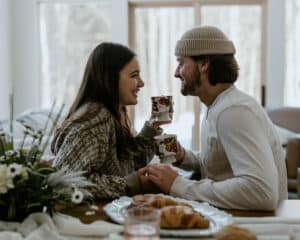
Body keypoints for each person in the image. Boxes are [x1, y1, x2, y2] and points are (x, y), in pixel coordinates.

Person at [146, 26, 287, 210]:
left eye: (181, 63)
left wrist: (179, 185)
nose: (176, 72)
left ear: (204, 64)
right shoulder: (218, 106)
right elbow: (224, 164)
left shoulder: (233, 111)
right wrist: (185, 159)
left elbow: (261, 192)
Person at [52, 42, 162, 199]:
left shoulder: (114, 114)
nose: (142, 83)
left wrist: (151, 128)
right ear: (110, 78)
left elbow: (127, 167)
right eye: (134, 75)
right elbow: (67, 183)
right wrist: (132, 184)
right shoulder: (97, 119)